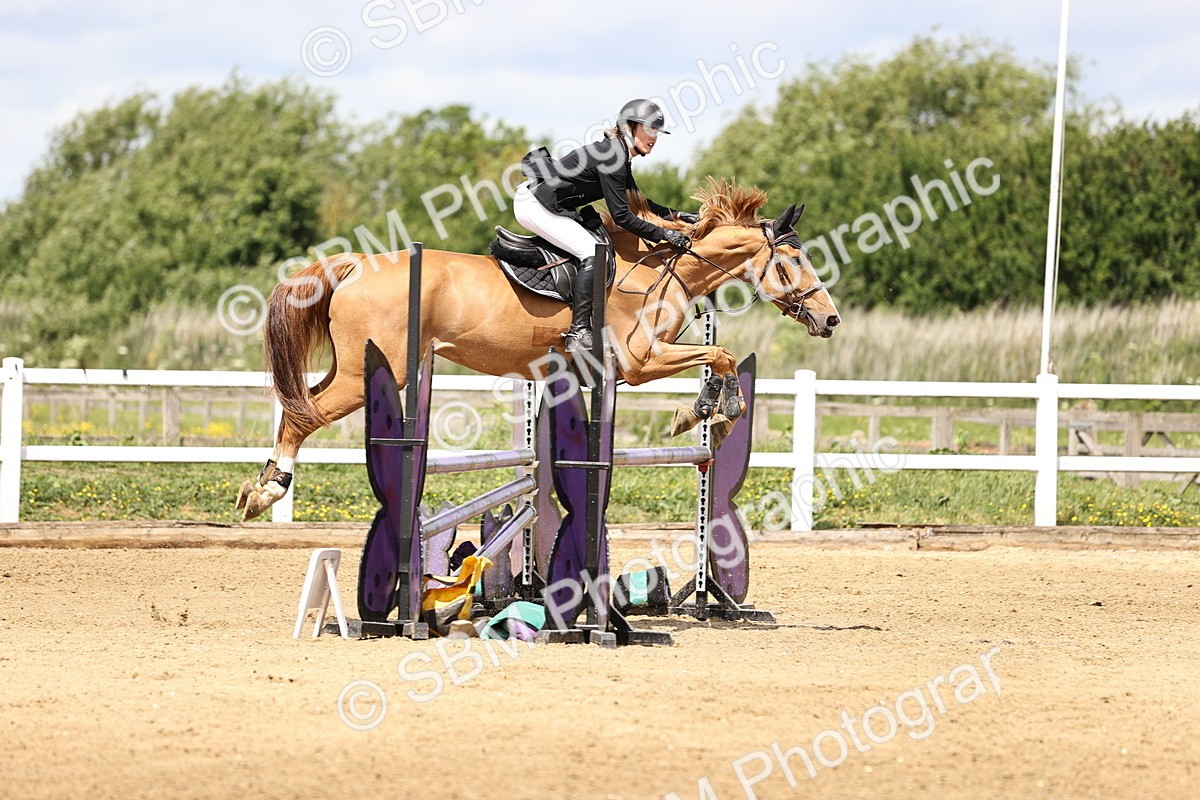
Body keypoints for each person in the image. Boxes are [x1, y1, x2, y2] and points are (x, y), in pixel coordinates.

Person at [513, 99, 698, 353]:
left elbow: (639, 201)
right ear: (630, 127)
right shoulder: (614, 156)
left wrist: (677, 216)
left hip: (543, 201)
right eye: (650, 130)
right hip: (534, 204)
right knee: (592, 250)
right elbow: (622, 216)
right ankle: (579, 331)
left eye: (657, 132)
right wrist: (664, 234)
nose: (654, 137)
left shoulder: (618, 153)